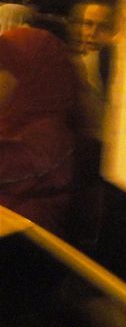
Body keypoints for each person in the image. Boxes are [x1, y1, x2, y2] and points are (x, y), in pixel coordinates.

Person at [0, 26, 80, 235]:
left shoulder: (46, 133)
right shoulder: (11, 119)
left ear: (34, 76)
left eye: (2, 69)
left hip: (25, 249)